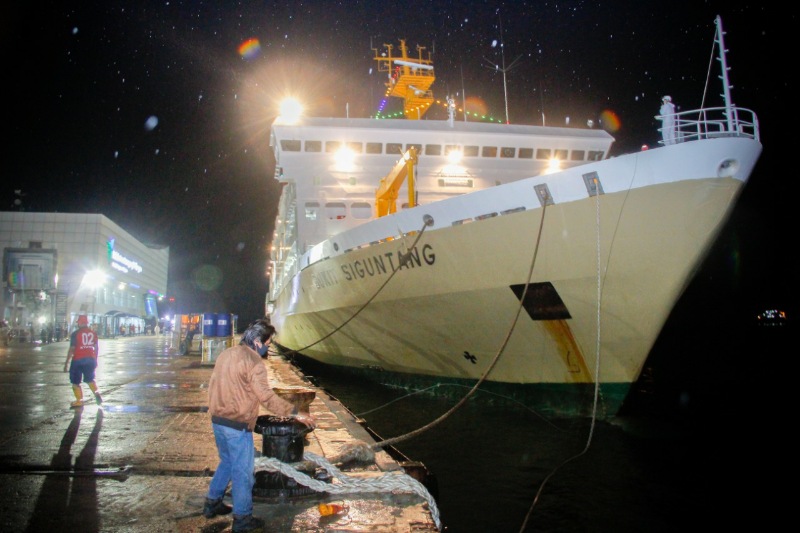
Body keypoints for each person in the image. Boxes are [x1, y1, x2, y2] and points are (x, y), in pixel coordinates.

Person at [203, 319, 315, 532]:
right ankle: (243, 519)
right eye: (267, 343)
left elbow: (213, 385)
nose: (268, 347)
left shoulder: (227, 354)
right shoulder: (254, 362)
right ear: (257, 342)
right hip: (237, 425)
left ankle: (212, 503)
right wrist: (295, 412)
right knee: (243, 473)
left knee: (226, 462)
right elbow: (266, 397)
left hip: (218, 420)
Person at [63, 315, 102, 408]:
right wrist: (95, 359)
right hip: (90, 359)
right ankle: (96, 393)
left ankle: (79, 400)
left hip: (78, 360)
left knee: (75, 382)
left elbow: (72, 349)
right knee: (90, 379)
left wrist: (66, 362)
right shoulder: (93, 333)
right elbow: (96, 348)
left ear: (79, 323)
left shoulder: (75, 334)